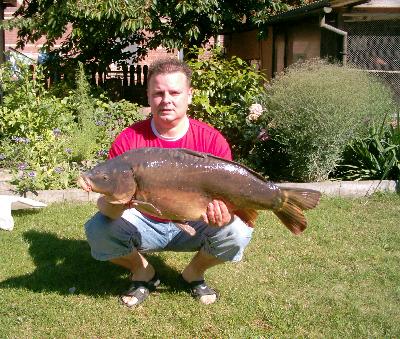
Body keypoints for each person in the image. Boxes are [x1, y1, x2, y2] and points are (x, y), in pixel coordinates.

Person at [84, 58, 253, 307]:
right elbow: (109, 210)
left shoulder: (212, 140)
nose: (166, 100)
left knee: (238, 231)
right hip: (144, 223)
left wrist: (224, 215)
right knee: (98, 228)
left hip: (196, 223)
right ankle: (143, 273)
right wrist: (113, 199)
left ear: (189, 95)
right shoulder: (129, 140)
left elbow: (226, 205)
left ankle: (193, 274)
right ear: (149, 97)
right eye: (158, 93)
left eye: (174, 92)